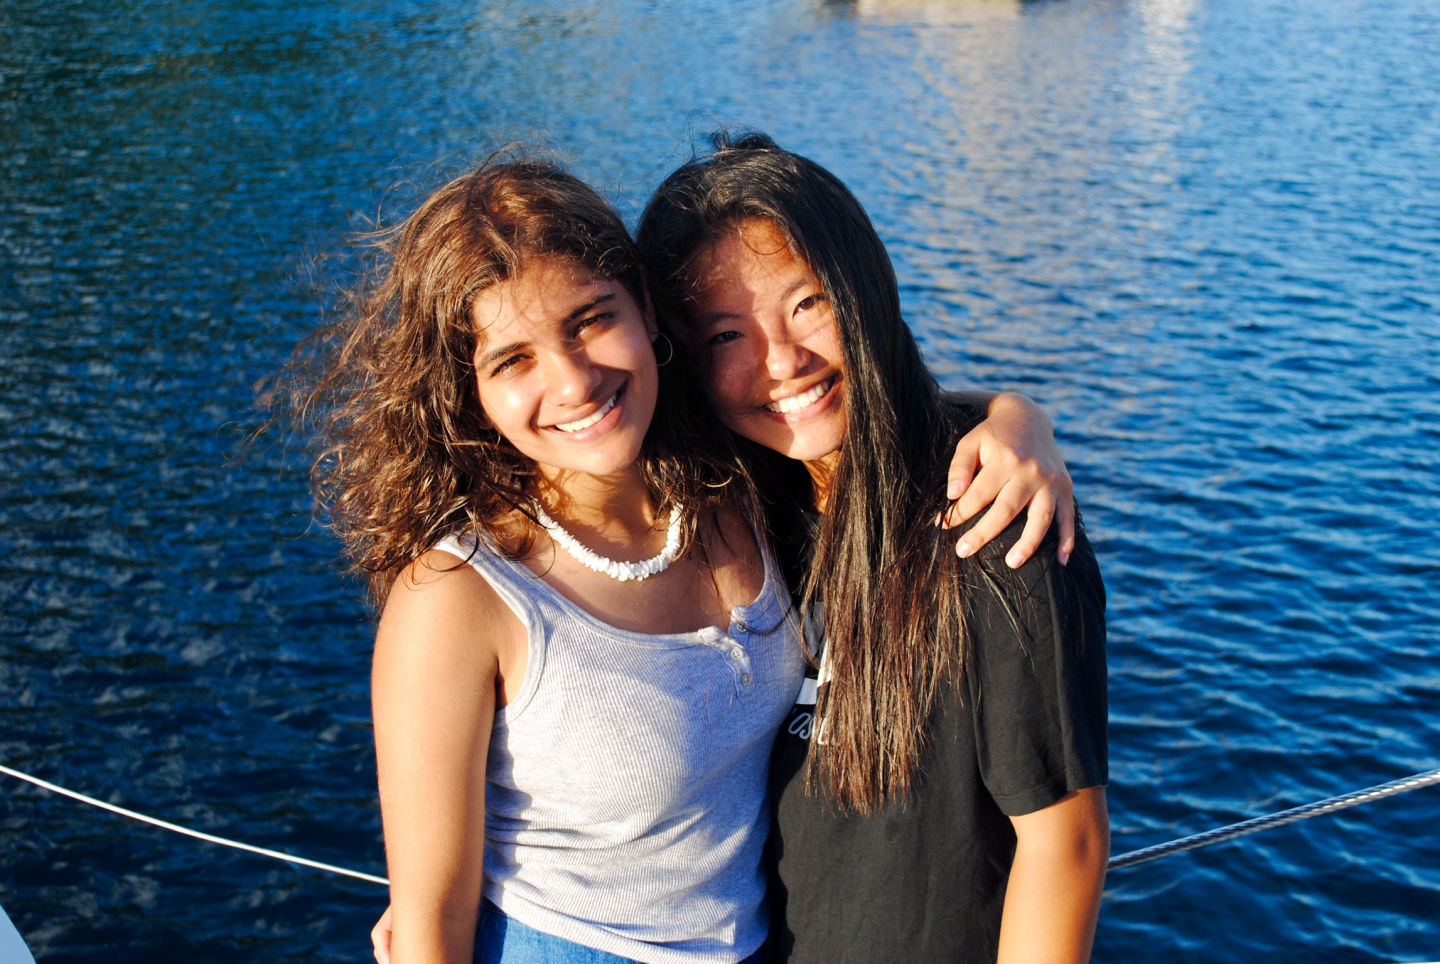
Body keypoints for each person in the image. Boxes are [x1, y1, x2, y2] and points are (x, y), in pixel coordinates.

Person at [314, 154, 1074, 964]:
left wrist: (1016, 419)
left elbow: (847, 405)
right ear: (467, 392)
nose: (573, 381)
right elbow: (431, 920)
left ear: (646, 308)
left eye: (589, 320)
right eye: (513, 360)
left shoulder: (729, 484)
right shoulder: (459, 596)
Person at [636, 132, 1109, 964]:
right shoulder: (735, 520)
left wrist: (1016, 420)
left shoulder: (991, 528)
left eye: (808, 304)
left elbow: (1063, 845)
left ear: (865, 287)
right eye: (726, 336)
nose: (782, 362)